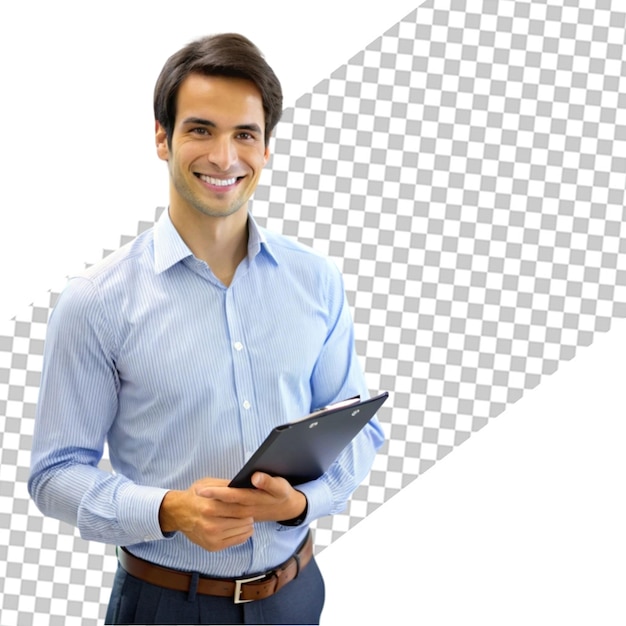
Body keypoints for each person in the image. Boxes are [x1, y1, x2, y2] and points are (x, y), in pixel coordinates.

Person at [28, 33, 385, 625]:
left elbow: (355, 428)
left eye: (244, 134)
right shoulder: (95, 303)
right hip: (167, 605)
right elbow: (55, 473)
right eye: (200, 130)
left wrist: (301, 503)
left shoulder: (315, 281)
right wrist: (168, 510)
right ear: (162, 138)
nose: (224, 158)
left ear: (267, 148)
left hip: (295, 595)